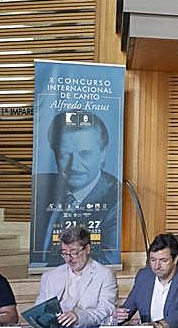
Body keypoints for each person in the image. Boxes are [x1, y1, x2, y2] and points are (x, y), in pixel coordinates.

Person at [31, 110, 120, 265]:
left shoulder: (116, 196)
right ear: (54, 153)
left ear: (102, 154)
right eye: (64, 154)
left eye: (85, 154)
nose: (74, 166)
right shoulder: (41, 188)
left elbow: (108, 260)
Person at [111, 233, 178, 328]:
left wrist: (157, 326)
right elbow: (128, 308)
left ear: (175, 259)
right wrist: (119, 315)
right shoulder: (144, 276)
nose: (156, 266)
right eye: (153, 260)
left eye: (163, 260)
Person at [34, 225, 118, 327]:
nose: (69, 259)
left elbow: (106, 311)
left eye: (74, 252)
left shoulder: (104, 275)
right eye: (64, 253)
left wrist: (78, 317)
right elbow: (39, 311)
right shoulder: (50, 276)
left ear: (87, 249)